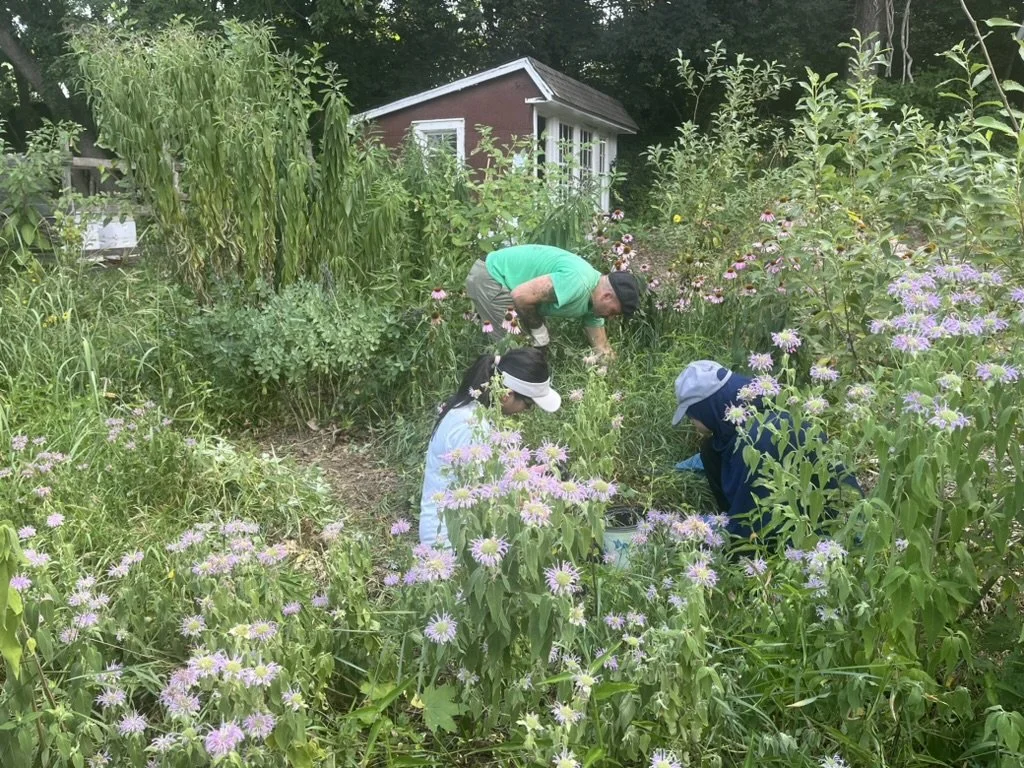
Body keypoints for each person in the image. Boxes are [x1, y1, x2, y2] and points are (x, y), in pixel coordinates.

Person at [672, 360, 861, 541]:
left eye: (691, 415)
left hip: (826, 530)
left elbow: (755, 522)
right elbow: (719, 449)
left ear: (706, 410)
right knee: (709, 452)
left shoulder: (754, 444)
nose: (692, 423)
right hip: (803, 510)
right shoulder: (760, 413)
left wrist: (693, 527)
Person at [420, 347, 561, 547]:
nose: (527, 412)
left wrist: (524, 476)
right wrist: (523, 497)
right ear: (506, 395)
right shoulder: (471, 426)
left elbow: (480, 477)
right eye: (528, 404)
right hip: (451, 539)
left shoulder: (472, 411)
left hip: (464, 530)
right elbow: (478, 494)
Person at [465, 244, 640, 358]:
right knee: (513, 353)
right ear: (607, 297)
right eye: (613, 312)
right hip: (492, 277)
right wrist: (538, 329)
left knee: (528, 350)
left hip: (506, 283)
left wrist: (616, 376)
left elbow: (601, 347)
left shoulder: (593, 301)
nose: (610, 318)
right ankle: (502, 402)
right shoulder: (577, 283)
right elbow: (520, 296)